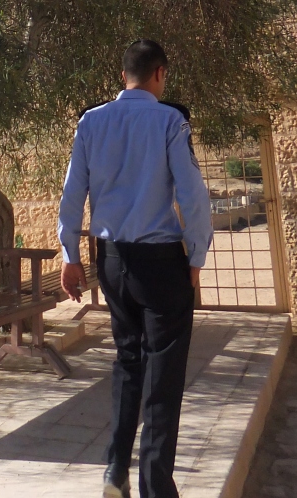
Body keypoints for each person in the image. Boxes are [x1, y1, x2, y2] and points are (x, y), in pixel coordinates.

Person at [58, 39, 213, 498]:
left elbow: (72, 193)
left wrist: (70, 256)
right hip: (160, 262)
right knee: (163, 375)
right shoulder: (169, 121)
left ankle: (115, 470)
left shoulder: (90, 122)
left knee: (128, 361)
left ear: (123, 75)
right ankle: (155, 487)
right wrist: (197, 257)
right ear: (159, 74)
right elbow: (192, 196)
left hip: (111, 260)